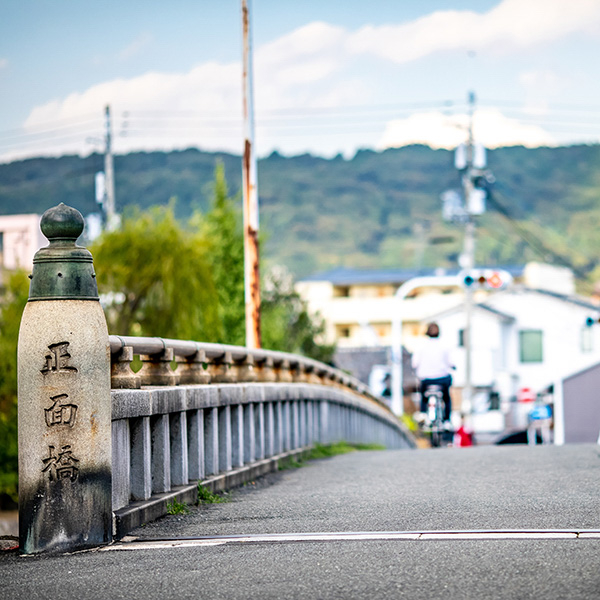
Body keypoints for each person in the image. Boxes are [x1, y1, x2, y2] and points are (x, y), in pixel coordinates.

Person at [412, 322, 454, 426]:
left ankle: (423, 415)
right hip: (442, 379)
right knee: (447, 398)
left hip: (426, 380)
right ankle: (447, 420)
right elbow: (451, 362)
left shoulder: (421, 346)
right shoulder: (444, 345)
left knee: (423, 397)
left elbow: (414, 363)